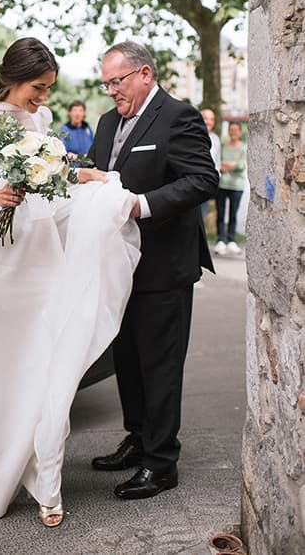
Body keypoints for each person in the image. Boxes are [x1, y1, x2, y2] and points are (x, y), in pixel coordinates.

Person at [0, 37, 141, 526]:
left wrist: (86, 178)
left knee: (44, 367)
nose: (43, 99)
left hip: (42, 253)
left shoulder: (39, 122)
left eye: (48, 90)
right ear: (15, 78)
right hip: (1, 261)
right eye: (37, 89)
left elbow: (54, 177)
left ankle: (45, 479)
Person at [88, 41, 218, 500]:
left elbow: (203, 179)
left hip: (165, 266)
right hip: (119, 265)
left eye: (116, 81)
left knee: (160, 367)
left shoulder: (178, 116)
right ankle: (138, 439)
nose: (110, 92)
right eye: (105, 83)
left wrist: (142, 205)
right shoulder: (105, 124)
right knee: (127, 361)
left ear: (144, 74)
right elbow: (106, 177)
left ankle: (161, 463)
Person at [214, 121, 246, 257]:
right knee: (220, 213)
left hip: (237, 186)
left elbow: (241, 165)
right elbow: (218, 163)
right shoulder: (223, 146)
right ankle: (220, 239)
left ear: (239, 132)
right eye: (231, 130)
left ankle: (231, 240)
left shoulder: (243, 148)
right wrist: (229, 165)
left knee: (233, 214)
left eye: (235, 130)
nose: (233, 132)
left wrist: (228, 165)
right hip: (222, 185)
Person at [200, 108, 221, 217]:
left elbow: (217, 163)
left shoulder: (216, 139)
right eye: (205, 118)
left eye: (211, 119)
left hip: (206, 185)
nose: (208, 122)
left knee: (201, 218)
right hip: (191, 184)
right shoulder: (190, 136)